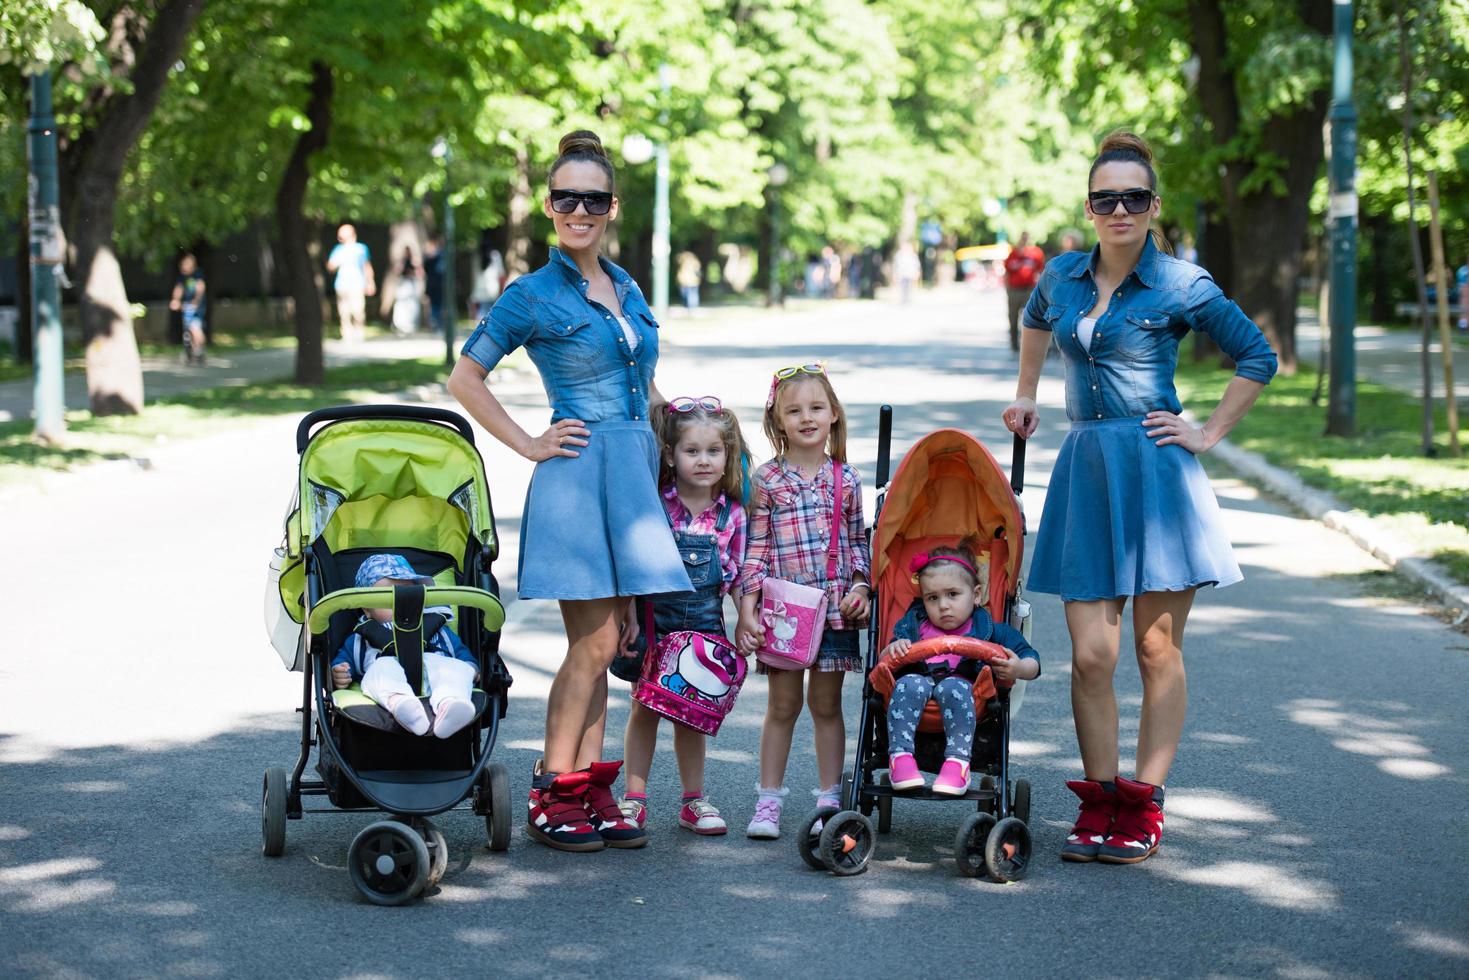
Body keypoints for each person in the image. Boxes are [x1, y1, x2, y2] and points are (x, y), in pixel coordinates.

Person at [1002, 130, 1277, 866]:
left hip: (1156, 474)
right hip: (1086, 465)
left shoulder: (1183, 284)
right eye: (1104, 198)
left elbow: (1257, 354)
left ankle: (1142, 807)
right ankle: (1100, 800)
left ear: (1151, 207)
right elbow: (1034, 324)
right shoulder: (1060, 276)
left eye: (1131, 197)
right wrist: (1026, 394)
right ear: (1090, 208)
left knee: (1157, 650)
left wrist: (1210, 430)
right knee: (1091, 657)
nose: (1117, 209)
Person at [447, 129, 691, 853]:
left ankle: (588, 788)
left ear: (611, 207)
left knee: (617, 641)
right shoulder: (530, 294)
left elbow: (640, 382)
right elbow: (465, 379)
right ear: (549, 207)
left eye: (591, 198)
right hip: (579, 478)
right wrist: (528, 442)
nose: (577, 209)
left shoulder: (628, 287)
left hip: (634, 477)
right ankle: (555, 788)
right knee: (590, 644)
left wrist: (685, 441)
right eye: (564, 198)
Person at [735, 363, 871, 839]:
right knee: (782, 705)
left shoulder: (847, 479)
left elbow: (859, 544)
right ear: (778, 420)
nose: (807, 417)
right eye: (794, 411)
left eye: (816, 407)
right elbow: (753, 551)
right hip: (785, 613)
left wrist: (861, 588)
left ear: (834, 414)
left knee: (826, 706)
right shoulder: (766, 480)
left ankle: (829, 801)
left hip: (835, 610)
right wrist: (746, 611)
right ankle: (768, 802)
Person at [615, 396, 750, 836]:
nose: (704, 460)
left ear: (727, 455)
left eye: (713, 451)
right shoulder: (655, 503)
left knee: (691, 713)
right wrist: (628, 615)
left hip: (704, 627)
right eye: (692, 451)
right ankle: (633, 799)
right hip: (654, 621)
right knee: (645, 708)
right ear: (671, 455)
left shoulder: (733, 513)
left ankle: (693, 801)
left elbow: (737, 577)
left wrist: (746, 617)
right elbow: (634, 565)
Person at [879, 543, 1039, 795]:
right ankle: (900, 758)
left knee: (953, 686)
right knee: (909, 682)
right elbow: (883, 661)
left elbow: (1032, 660)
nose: (943, 605)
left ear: (975, 595)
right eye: (932, 598)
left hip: (967, 698)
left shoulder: (990, 629)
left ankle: (957, 764)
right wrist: (894, 649)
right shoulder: (912, 627)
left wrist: (1018, 668)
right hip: (916, 694)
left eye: (953, 594)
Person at [330, 554, 478, 739]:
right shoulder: (361, 637)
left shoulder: (436, 626)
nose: (400, 603)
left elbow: (461, 654)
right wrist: (340, 671)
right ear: (367, 610)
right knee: (379, 671)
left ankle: (451, 705)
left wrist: (470, 668)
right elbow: (344, 659)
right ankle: (401, 703)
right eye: (388, 599)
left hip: (435, 679)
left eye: (407, 595)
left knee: (454, 669)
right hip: (388, 677)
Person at [327, 224, 375, 343]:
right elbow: (330, 267)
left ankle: (359, 334)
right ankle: (347, 336)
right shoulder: (338, 250)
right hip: (342, 284)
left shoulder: (361, 248)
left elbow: (366, 266)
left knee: (358, 310)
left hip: (357, 284)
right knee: (344, 312)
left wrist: (370, 282)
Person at [1003, 232, 1046, 353]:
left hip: (1029, 289)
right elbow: (1007, 272)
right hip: (1014, 290)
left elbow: (1041, 271)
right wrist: (1007, 289)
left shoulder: (1036, 253)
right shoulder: (1013, 253)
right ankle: (1014, 344)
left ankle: (1028, 345)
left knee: (1030, 317)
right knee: (1013, 317)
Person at [169, 253, 207, 365]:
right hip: (186, 305)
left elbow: (200, 287)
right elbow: (179, 289)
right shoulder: (182, 277)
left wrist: (196, 300)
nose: (183, 267)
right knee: (187, 328)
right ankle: (189, 350)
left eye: (185, 265)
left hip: (197, 307)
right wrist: (175, 300)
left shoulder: (197, 274)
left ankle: (199, 349)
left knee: (195, 327)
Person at [391, 247, 424, 334]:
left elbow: (420, 273)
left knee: (412, 305)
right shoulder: (402, 262)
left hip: (411, 284)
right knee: (401, 304)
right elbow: (396, 271)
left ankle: (411, 324)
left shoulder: (414, 262)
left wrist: (414, 270)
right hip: (403, 283)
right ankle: (401, 324)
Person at [468, 248, 505, 323]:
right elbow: (501, 276)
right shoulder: (495, 255)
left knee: (481, 324)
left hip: (480, 295)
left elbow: (474, 277)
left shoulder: (476, 255)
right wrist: (501, 293)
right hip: (493, 293)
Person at [423, 237, 445, 333]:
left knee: (438, 306)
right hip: (434, 285)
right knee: (435, 306)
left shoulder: (441, 256)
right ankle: (436, 324)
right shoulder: (434, 257)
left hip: (439, 285)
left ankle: (438, 324)